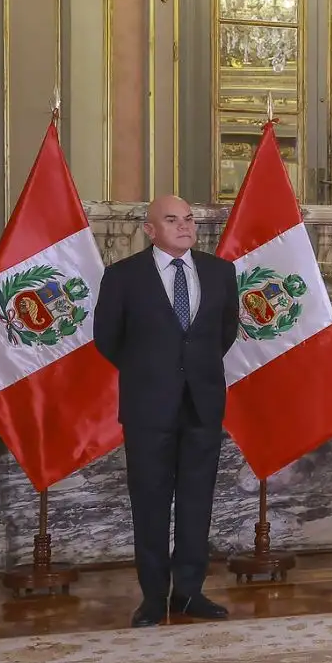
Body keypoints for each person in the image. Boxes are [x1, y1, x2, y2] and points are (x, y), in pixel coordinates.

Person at [93, 195, 241, 628]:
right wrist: (151, 372)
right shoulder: (123, 277)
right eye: (172, 220)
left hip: (203, 404)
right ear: (150, 229)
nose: (184, 226)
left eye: (189, 219)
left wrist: (192, 372)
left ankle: (189, 592)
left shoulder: (220, 272)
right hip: (147, 407)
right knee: (151, 504)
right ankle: (154, 598)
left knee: (197, 503)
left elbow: (224, 333)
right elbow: (108, 338)